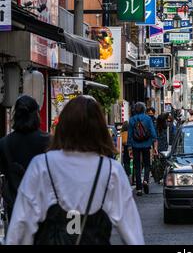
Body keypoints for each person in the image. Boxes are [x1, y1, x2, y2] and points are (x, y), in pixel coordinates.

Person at [6, 96, 144, 245]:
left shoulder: (42, 165)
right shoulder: (111, 170)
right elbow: (132, 233)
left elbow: (21, 225)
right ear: (100, 129)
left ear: (63, 126)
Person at [0, 95, 50, 220]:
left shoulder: (4, 143)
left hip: (15, 207)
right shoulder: (49, 141)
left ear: (15, 116)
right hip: (42, 208)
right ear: (36, 115)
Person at [129, 102, 158, 196]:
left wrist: (129, 148)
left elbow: (130, 135)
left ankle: (138, 189)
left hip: (135, 145)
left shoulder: (132, 119)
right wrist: (155, 147)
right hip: (146, 144)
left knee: (137, 166)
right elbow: (153, 133)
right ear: (144, 109)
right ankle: (145, 180)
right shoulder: (148, 118)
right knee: (147, 164)